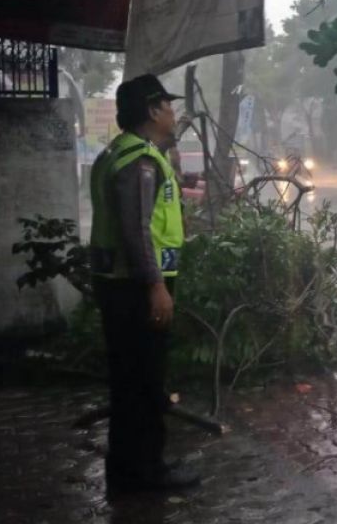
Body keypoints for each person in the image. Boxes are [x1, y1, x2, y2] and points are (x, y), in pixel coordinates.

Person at [89, 74, 201, 495]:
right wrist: (156, 286)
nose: (173, 113)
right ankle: (150, 471)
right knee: (147, 380)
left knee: (127, 380)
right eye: (168, 106)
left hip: (117, 284)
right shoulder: (140, 162)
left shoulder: (119, 153)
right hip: (136, 288)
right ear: (153, 110)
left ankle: (125, 469)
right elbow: (137, 231)